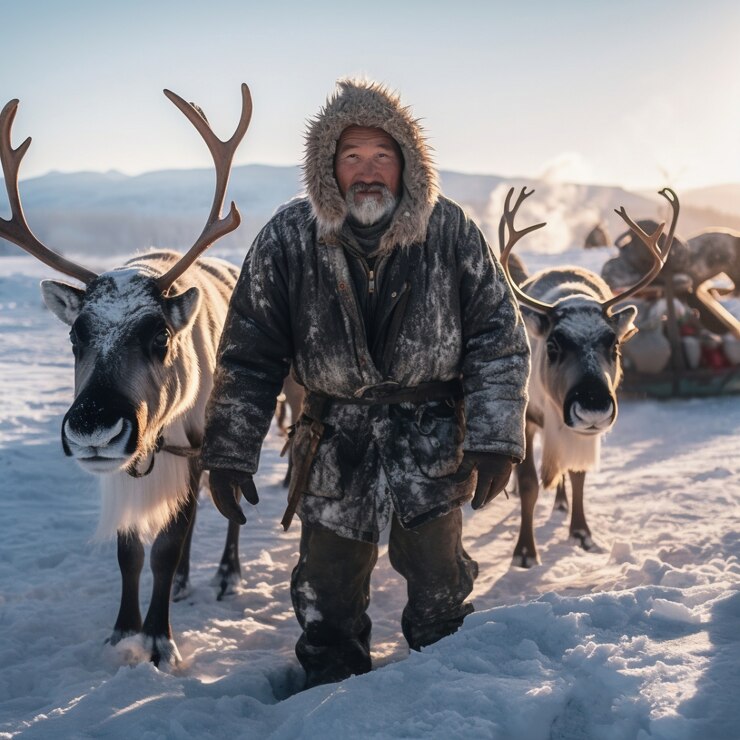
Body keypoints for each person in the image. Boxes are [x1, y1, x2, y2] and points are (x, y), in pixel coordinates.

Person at [201, 78, 530, 688]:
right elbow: (249, 354)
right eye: (352, 157)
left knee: (439, 594)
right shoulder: (288, 238)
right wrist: (229, 450)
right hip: (332, 442)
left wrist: (495, 437)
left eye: (382, 156)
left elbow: (498, 340)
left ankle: (445, 704)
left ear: (407, 164)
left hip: (431, 443)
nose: (368, 172)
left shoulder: (451, 231)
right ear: (329, 168)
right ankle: (330, 705)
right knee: (325, 597)